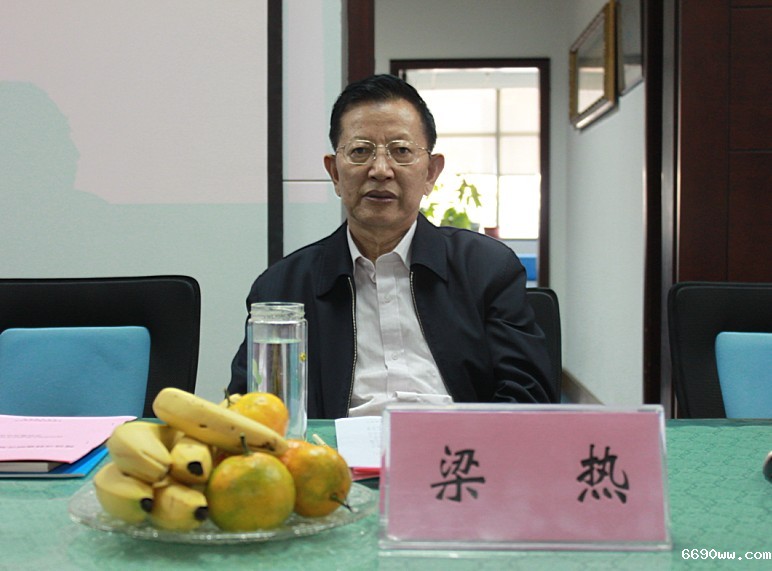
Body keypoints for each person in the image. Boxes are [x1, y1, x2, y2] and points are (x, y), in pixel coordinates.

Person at [229, 74, 555, 419]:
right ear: (335, 173)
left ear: (431, 172)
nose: (380, 170)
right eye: (360, 151)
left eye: (401, 151)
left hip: (458, 449)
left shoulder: (487, 269)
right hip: (330, 452)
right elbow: (251, 411)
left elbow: (528, 397)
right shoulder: (282, 287)